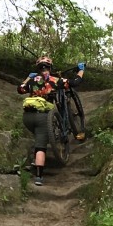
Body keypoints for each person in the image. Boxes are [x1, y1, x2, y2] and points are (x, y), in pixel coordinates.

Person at [17, 56, 85, 186]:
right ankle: (39, 177)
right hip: (43, 117)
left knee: (39, 135)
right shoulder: (55, 80)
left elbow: (20, 89)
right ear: (50, 68)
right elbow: (75, 82)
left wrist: (28, 78)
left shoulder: (32, 80)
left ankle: (33, 160)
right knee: (41, 146)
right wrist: (81, 70)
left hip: (27, 117)